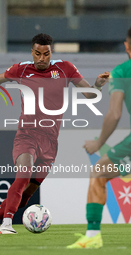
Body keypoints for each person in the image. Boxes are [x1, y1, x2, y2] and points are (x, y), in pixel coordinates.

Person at [0, 33, 109, 234]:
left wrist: (98, 84)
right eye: (38, 54)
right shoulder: (22, 69)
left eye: (46, 54)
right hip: (27, 135)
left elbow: (89, 94)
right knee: (24, 173)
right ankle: (6, 225)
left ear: (51, 52)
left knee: (26, 195)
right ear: (32, 52)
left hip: (50, 143)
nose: (42, 58)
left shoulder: (65, 68)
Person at [67, 28, 131, 249]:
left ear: (126, 46)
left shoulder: (122, 72)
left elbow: (114, 114)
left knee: (98, 172)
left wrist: (99, 143)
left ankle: (93, 235)